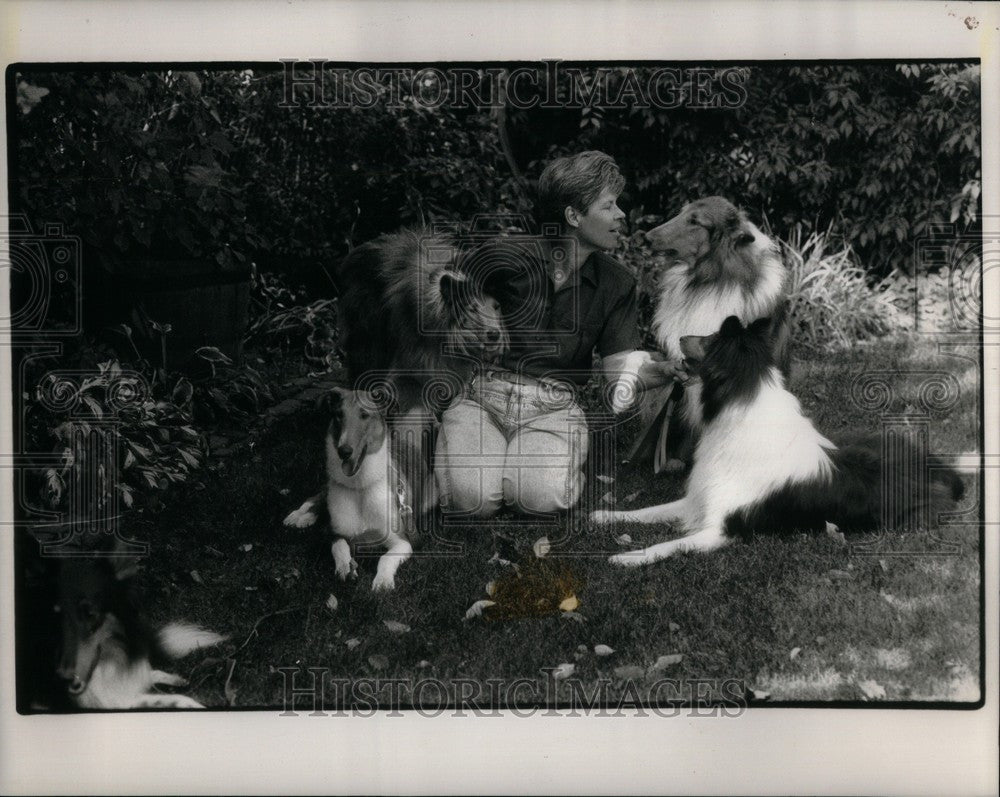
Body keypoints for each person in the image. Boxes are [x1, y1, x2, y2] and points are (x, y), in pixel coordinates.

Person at [434, 150, 686, 518]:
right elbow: (439, 304)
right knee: (468, 500)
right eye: (609, 206)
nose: (621, 215)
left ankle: (531, 469)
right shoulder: (502, 260)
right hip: (483, 399)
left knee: (541, 499)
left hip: (552, 408)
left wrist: (667, 370)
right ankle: (486, 464)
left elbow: (618, 373)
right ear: (573, 216)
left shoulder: (616, 283)